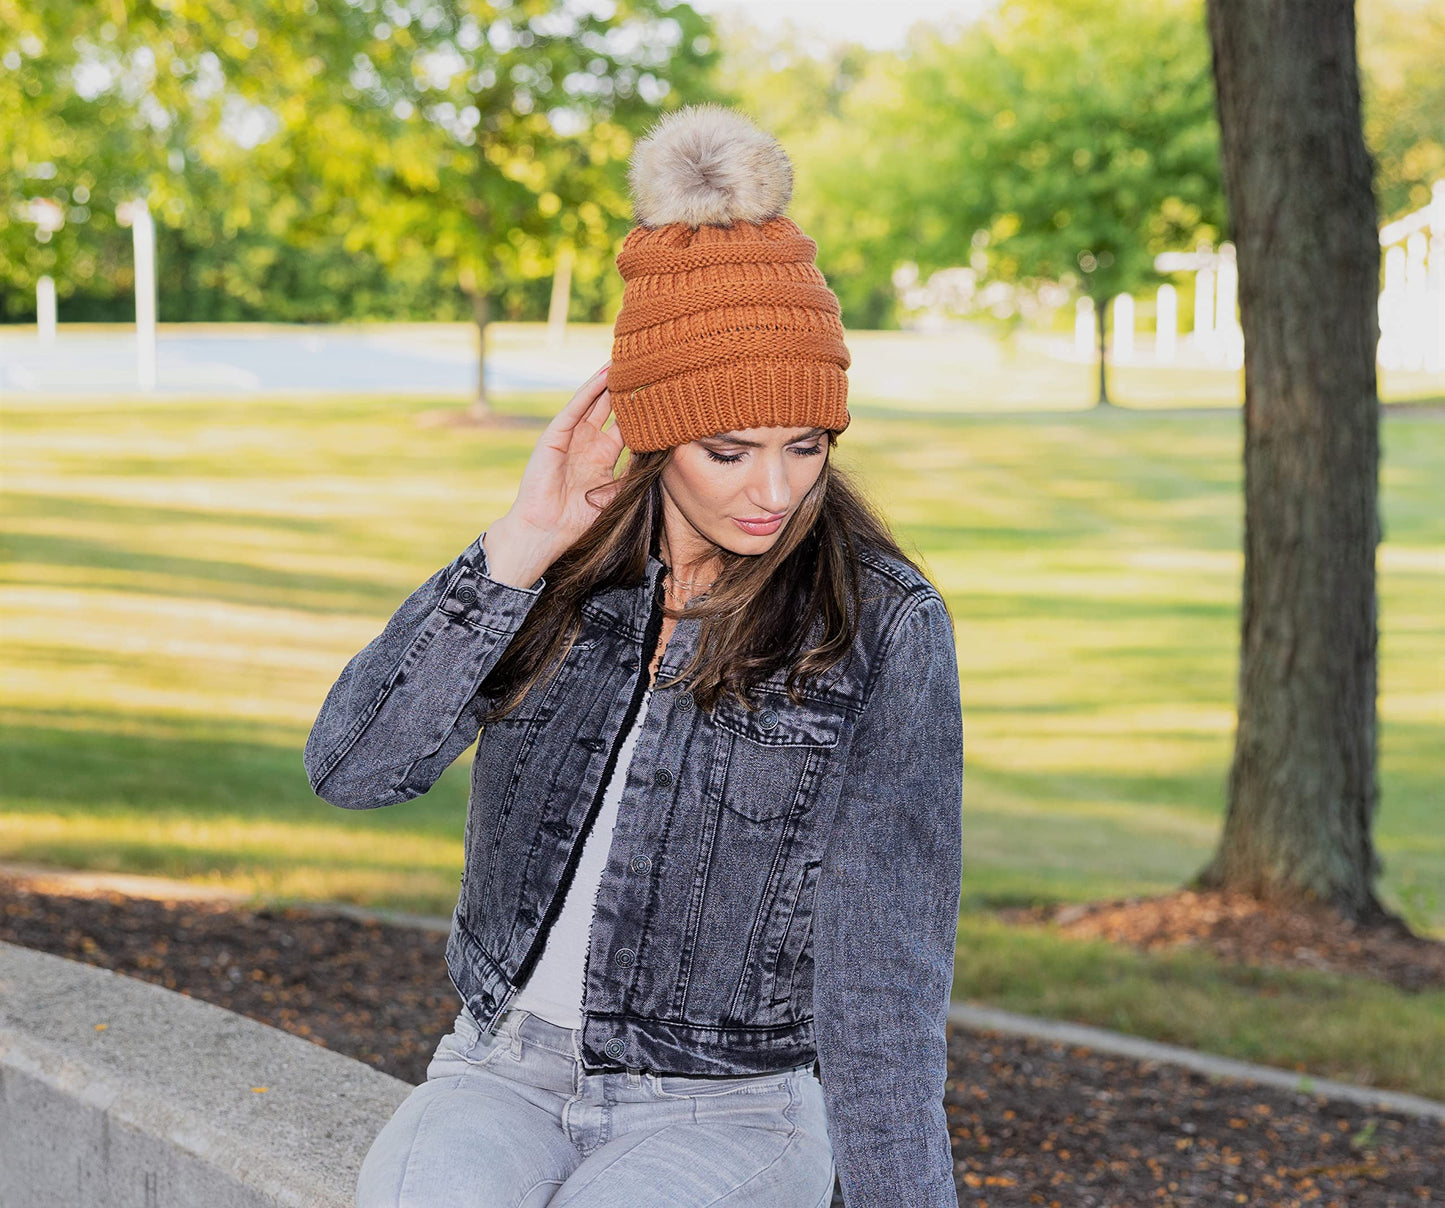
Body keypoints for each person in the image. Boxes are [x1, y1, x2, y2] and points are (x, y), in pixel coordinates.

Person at [304, 102, 964, 1208]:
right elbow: (354, 768)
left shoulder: (878, 623)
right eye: (728, 450)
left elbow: (885, 972)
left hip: (733, 1110)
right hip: (499, 1071)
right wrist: (518, 545)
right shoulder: (557, 576)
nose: (774, 489)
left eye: (806, 446)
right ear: (653, 432)